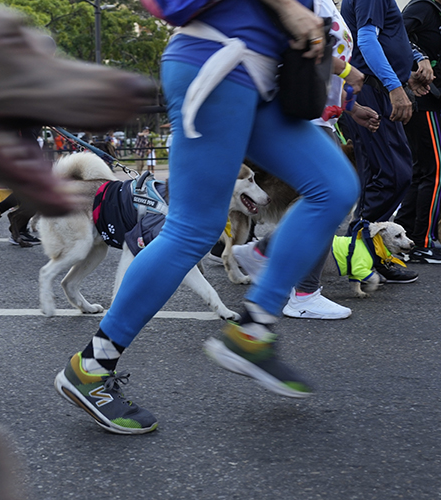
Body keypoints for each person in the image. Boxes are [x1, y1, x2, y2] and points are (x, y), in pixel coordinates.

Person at [54, 0, 361, 434]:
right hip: (218, 64)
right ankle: (90, 367)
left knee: (335, 188)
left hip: (257, 79)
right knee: (191, 231)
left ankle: (252, 328)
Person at [234, 0, 381, 320]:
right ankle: (296, 288)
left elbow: (322, 53)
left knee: (331, 195)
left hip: (317, 114)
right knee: (334, 194)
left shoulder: (326, 2)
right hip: (300, 112)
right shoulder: (304, 2)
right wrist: (348, 71)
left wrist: (352, 108)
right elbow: (303, 45)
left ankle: (278, 292)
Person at [341, 0, 426, 282]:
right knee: (391, 175)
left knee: (386, 175)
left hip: (375, 89)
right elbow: (366, 40)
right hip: (373, 92)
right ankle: (361, 255)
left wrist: (405, 75)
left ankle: (363, 256)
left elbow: (384, 39)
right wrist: (394, 86)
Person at [396, 0, 441, 264]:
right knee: (435, 171)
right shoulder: (422, 8)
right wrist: (419, 57)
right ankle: (422, 243)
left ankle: (407, 237)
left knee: (423, 171)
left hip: (432, 101)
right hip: (423, 99)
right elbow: (395, 33)